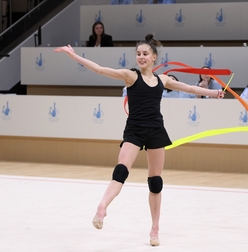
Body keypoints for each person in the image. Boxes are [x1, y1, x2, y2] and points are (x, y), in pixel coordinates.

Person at [54, 34, 225, 247]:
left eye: (145, 54)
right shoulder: (130, 76)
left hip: (155, 130)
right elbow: (99, 69)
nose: (141, 57)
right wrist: (74, 56)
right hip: (134, 130)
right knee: (121, 171)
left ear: (154, 57)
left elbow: (190, 88)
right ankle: (102, 208)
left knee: (155, 181)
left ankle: (155, 229)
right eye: (138, 54)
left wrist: (214, 93)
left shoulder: (163, 80)